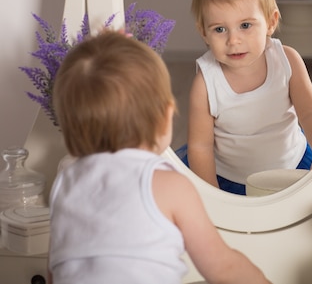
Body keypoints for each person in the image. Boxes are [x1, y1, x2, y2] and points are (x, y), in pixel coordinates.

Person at [48, 31, 271, 284]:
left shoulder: (64, 186)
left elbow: (55, 273)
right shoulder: (170, 186)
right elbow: (224, 268)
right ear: (166, 116)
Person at [179, 0, 312, 195]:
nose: (233, 40)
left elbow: (311, 113)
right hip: (228, 177)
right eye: (220, 29)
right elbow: (200, 146)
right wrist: (214, 195)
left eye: (245, 25)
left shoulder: (286, 61)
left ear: (270, 23)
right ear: (204, 33)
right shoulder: (206, 82)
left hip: (291, 164)